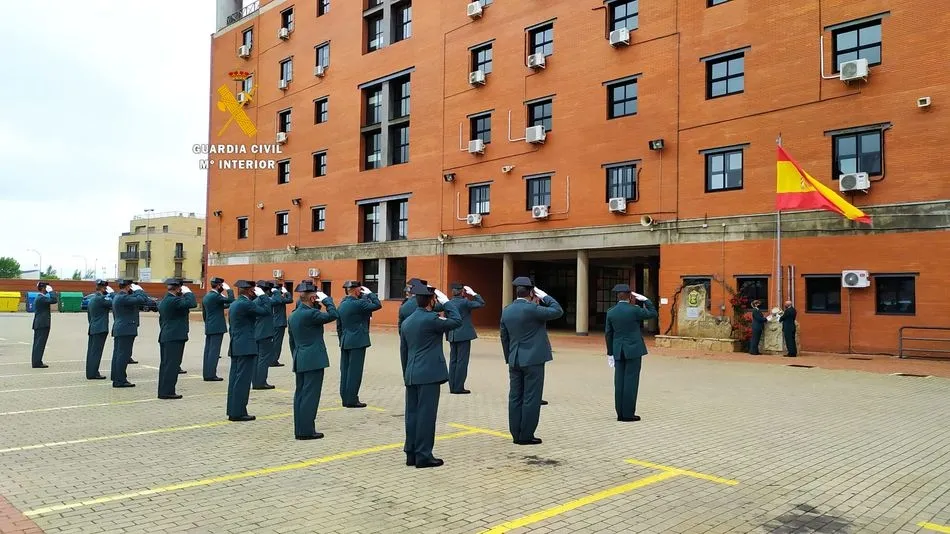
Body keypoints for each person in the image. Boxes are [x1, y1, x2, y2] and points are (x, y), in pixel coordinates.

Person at [401, 283, 461, 468]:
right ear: (431, 301)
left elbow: (403, 351)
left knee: (412, 415)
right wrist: (448, 302)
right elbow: (457, 321)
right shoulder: (432, 319)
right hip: (428, 375)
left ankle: (411, 453)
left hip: (411, 373)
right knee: (426, 416)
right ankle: (424, 455)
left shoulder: (407, 321)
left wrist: (407, 373)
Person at [500, 276, 563, 445]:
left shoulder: (507, 310)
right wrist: (545, 296)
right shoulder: (533, 309)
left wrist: (509, 357)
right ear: (531, 292)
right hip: (533, 360)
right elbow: (558, 311)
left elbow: (504, 337)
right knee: (531, 398)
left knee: (515, 397)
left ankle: (515, 433)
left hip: (515, 359)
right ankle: (526, 435)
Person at [288, 281, 338, 440]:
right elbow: (333, 315)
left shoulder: (294, 315)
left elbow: (291, 341)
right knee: (310, 395)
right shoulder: (310, 314)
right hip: (313, 360)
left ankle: (300, 428)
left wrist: (297, 356)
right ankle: (307, 430)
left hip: (300, 357)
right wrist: (327, 300)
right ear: (312, 299)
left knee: (300, 395)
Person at [605, 284, 658, 422]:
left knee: (619, 381)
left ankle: (620, 413)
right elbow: (653, 313)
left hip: (618, 350)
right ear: (630, 296)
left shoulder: (611, 312)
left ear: (618, 296)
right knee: (631, 382)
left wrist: (610, 352)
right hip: (633, 350)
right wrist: (646, 300)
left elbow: (608, 334)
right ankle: (628, 414)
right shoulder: (634, 310)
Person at [227, 280, 271, 421]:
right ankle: (238, 413)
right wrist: (263, 296)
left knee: (235, 380)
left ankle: (233, 410)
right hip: (245, 346)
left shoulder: (234, 303)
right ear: (249, 291)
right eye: (253, 290)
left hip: (236, 345)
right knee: (242, 381)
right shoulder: (245, 304)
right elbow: (266, 311)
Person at [336, 281, 382, 407]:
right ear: (357, 290)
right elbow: (378, 305)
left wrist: (342, 339)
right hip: (357, 341)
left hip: (345, 340)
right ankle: (352, 400)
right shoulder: (359, 303)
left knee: (345, 371)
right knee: (355, 372)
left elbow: (339, 326)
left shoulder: (342, 305)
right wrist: (371, 294)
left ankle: (345, 398)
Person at [157, 278, 198, 399]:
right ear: (178, 288)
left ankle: (164, 391)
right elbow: (192, 303)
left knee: (166, 365)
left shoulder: (166, 300)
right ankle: (167, 392)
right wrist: (189, 292)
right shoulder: (173, 300)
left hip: (167, 335)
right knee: (172, 365)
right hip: (174, 337)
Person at [446, 282, 484, 394]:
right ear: (462, 292)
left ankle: (452, 386)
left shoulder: (449, 303)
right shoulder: (465, 302)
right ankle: (458, 387)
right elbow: (481, 303)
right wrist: (474, 293)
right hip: (463, 335)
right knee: (462, 362)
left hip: (452, 334)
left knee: (453, 361)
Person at [110, 280, 150, 388]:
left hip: (120, 329)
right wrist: (139, 290)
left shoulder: (118, 297)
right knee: (123, 355)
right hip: (125, 329)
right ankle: (120, 380)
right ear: (128, 287)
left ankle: (116, 377)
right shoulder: (124, 297)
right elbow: (142, 299)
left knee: (118, 355)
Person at [398, 278, 442, 373]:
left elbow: (400, 327)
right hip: (426, 343)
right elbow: (443, 306)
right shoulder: (428, 303)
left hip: (408, 339)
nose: (407, 293)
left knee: (407, 362)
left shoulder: (404, 306)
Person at [202, 277, 234, 381]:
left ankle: (207, 373)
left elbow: (206, 312)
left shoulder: (207, 296)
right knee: (214, 352)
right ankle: (211, 375)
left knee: (208, 351)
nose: (222, 287)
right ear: (219, 285)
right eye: (222, 286)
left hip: (210, 326)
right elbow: (231, 299)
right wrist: (229, 290)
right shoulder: (216, 296)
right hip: (217, 327)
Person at [85, 280, 113, 380]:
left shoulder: (92, 299)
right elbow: (114, 302)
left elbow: (89, 316)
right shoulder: (101, 299)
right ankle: (93, 373)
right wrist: (112, 293)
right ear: (102, 288)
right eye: (105, 288)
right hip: (100, 329)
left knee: (91, 352)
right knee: (96, 352)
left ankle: (90, 372)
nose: (106, 290)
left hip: (93, 327)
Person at [252, 280, 276, 390]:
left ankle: (256, 381)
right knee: (263, 359)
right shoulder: (265, 301)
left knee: (257, 359)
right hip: (265, 333)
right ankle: (261, 382)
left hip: (257, 332)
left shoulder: (255, 301)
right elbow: (278, 300)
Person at [30, 281, 58, 369]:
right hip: (42, 324)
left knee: (38, 344)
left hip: (39, 323)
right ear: (43, 288)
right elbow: (54, 300)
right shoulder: (41, 298)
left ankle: (36, 361)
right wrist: (51, 291)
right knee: (40, 344)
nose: (47, 289)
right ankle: (37, 362)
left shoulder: (40, 297)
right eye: (46, 287)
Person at [270, 280, 294, 368]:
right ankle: (273, 360)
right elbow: (290, 300)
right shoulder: (278, 299)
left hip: (273, 323)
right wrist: (286, 292)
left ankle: (272, 359)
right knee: (277, 343)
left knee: (273, 343)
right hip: (279, 323)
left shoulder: (271, 297)